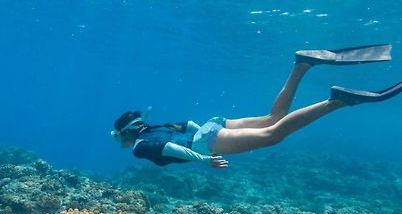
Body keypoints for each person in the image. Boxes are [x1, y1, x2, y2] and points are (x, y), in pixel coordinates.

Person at [111, 44, 402, 168]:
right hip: (214, 125)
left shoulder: (139, 146)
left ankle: (337, 101)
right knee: (274, 116)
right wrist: (205, 133)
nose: (117, 140)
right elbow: (186, 125)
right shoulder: (154, 127)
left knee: (272, 135)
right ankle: (301, 65)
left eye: (116, 135)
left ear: (126, 132)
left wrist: (203, 157)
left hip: (206, 142)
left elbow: (170, 149)